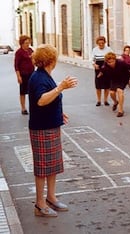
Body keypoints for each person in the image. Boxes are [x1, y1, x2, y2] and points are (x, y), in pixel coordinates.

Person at [28, 44, 78, 217]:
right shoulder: (38, 77)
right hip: (42, 128)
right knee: (43, 167)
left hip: (50, 125)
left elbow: (49, 99)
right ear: (51, 60)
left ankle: (50, 197)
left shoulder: (45, 75)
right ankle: (40, 205)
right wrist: (60, 87)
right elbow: (41, 100)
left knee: (52, 165)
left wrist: (58, 112)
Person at [99, 52, 130, 117]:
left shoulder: (121, 63)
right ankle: (115, 102)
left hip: (123, 78)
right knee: (112, 93)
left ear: (115, 60)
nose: (111, 63)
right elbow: (102, 69)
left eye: (112, 62)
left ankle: (120, 110)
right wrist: (100, 73)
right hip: (114, 79)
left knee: (119, 90)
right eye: (109, 62)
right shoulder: (105, 65)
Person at [14, 35, 35, 115]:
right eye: (26, 43)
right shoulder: (19, 52)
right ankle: (23, 108)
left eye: (28, 43)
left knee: (32, 91)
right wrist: (18, 76)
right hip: (23, 74)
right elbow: (16, 65)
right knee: (23, 92)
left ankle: (33, 107)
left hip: (32, 73)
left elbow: (34, 59)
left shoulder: (30, 50)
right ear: (22, 43)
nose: (28, 44)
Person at [91, 36, 112, 107]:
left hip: (106, 68)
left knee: (107, 85)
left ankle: (106, 100)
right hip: (98, 68)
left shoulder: (108, 49)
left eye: (102, 43)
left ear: (104, 43)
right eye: (99, 43)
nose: (101, 45)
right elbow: (92, 59)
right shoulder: (95, 50)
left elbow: (112, 57)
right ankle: (99, 100)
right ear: (97, 43)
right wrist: (94, 64)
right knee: (98, 85)